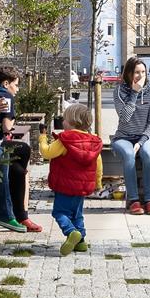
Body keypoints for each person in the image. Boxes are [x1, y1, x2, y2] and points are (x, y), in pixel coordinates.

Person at [0, 65, 42, 233]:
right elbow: (6, 126)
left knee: (17, 167)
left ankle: (20, 214)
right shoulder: (6, 97)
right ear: (6, 83)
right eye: (16, 85)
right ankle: (20, 214)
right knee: (23, 150)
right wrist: (8, 132)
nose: (17, 89)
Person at [43, 102, 104, 255]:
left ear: (71, 122)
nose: (62, 122)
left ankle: (71, 232)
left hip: (65, 186)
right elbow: (98, 163)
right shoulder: (93, 141)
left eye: (64, 119)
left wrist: (42, 139)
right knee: (77, 214)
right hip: (82, 188)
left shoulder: (65, 140)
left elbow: (47, 153)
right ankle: (81, 242)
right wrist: (98, 182)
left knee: (60, 212)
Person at [112, 56, 150, 215]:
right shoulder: (119, 91)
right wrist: (134, 93)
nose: (140, 76)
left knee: (147, 153)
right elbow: (124, 117)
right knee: (128, 153)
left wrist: (140, 142)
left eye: (143, 72)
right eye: (136, 72)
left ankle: (149, 200)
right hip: (123, 137)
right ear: (129, 74)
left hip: (145, 137)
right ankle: (134, 200)